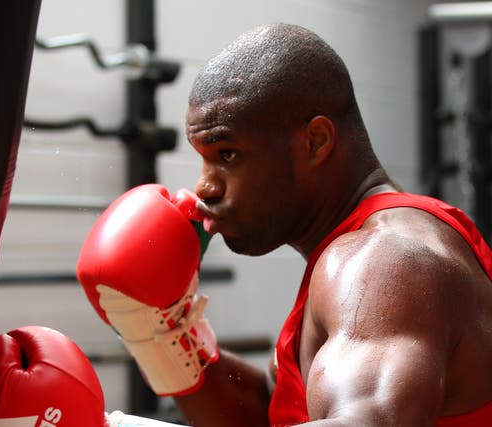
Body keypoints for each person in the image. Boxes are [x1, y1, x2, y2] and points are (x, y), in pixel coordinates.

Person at [77, 22, 492, 427]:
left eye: (228, 155)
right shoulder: (350, 254)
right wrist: (166, 339)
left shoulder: (385, 262)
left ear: (315, 142)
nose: (204, 187)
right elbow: (273, 413)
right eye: (203, 158)